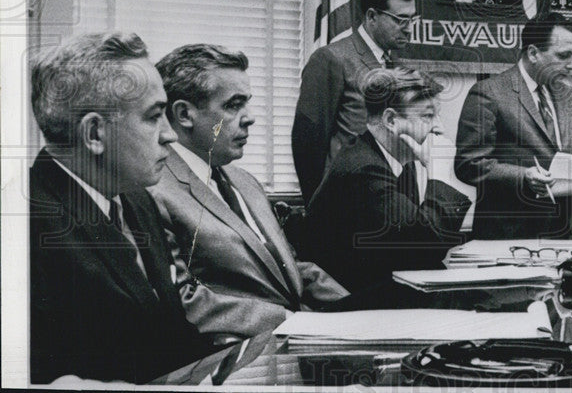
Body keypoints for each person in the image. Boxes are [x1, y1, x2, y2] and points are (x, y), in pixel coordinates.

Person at [29, 32, 213, 383]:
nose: (169, 135)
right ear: (95, 134)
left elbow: (171, 339)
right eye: (153, 116)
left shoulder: (135, 197)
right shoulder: (26, 226)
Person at [147, 44, 350, 340]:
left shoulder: (245, 182)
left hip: (304, 336)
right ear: (184, 114)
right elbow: (183, 299)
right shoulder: (154, 190)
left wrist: (359, 310)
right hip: (239, 357)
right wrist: (287, 320)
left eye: (247, 103)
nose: (250, 117)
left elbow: (287, 268)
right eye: (233, 105)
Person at [301, 67, 472, 292]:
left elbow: (417, 254)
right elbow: (425, 246)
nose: (439, 127)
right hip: (350, 306)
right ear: (391, 120)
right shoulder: (363, 169)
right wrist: (440, 173)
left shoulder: (395, 163)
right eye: (428, 116)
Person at [454, 13, 572, 239]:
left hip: (566, 233)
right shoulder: (489, 93)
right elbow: (468, 164)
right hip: (508, 235)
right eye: (563, 56)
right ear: (533, 53)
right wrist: (523, 176)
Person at [291, 0, 418, 202]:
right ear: (372, 16)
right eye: (400, 20)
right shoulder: (332, 59)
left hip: (391, 202)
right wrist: (319, 208)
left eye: (412, 19)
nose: (409, 29)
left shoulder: (396, 67)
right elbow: (307, 143)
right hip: (347, 204)